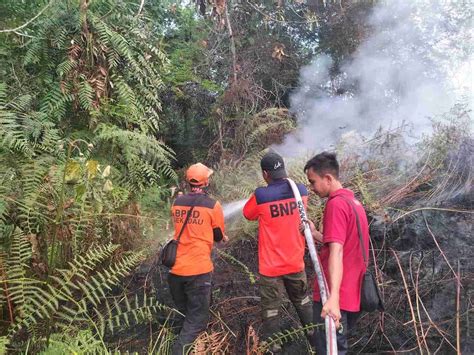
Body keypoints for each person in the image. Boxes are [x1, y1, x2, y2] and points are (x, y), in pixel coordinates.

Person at [243, 151, 313, 353]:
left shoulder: (261, 195)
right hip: (295, 263)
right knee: (303, 301)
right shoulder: (301, 191)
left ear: (265, 174)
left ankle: (275, 348)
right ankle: (315, 340)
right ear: (284, 169)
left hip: (271, 268)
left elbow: (248, 214)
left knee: (272, 310)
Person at [303, 152, 369, 354]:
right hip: (351, 293)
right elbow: (340, 243)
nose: (312, 188)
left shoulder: (336, 204)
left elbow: (337, 252)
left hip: (334, 297)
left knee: (330, 350)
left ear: (328, 178)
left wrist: (332, 299)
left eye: (313, 182)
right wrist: (315, 234)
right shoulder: (353, 203)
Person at [168, 163, 228, 355]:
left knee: (187, 316)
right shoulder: (213, 205)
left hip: (175, 271)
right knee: (197, 320)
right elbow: (218, 236)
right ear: (206, 182)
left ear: (188, 181)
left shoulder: (177, 203)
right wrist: (222, 237)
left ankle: (194, 347)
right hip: (198, 272)